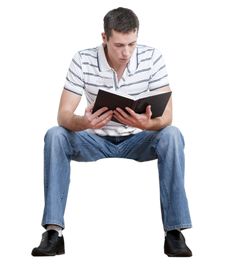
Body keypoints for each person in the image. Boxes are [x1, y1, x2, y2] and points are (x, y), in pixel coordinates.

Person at [31, 7, 192, 257]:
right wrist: (84, 122)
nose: (126, 52)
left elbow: (168, 117)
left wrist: (146, 125)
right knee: (55, 135)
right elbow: (63, 115)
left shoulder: (152, 58)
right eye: (119, 45)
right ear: (104, 38)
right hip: (94, 139)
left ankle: (174, 232)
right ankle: (53, 232)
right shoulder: (83, 60)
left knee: (173, 135)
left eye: (131, 44)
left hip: (138, 138)